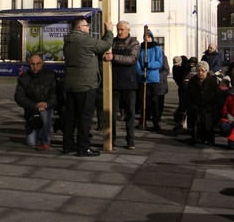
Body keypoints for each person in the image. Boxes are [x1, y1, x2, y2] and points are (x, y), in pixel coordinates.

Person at [63, 17, 113, 157]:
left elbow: (96, 47)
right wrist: (109, 31)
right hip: (85, 84)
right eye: (87, 25)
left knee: (71, 117)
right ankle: (83, 148)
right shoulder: (84, 40)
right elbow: (105, 45)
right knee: (85, 117)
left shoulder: (69, 40)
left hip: (71, 84)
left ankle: (68, 145)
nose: (89, 28)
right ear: (80, 28)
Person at [104, 20, 140, 150]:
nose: (119, 32)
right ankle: (111, 140)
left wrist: (114, 57)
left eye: (122, 30)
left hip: (129, 83)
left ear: (128, 30)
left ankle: (130, 140)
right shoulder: (112, 42)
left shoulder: (134, 43)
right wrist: (108, 31)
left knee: (130, 114)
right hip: (114, 83)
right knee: (111, 114)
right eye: (118, 29)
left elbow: (132, 59)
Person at [14, 54, 57, 151]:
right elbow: (19, 96)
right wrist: (34, 105)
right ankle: (33, 127)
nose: (35, 67)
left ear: (42, 63)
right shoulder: (23, 78)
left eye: (38, 64)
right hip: (31, 108)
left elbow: (55, 93)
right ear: (29, 64)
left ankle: (45, 141)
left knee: (45, 116)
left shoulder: (50, 75)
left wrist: (47, 104)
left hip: (46, 105)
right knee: (31, 143)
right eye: (32, 64)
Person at [135, 29, 163, 131]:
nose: (146, 39)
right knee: (142, 101)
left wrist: (149, 65)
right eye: (145, 37)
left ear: (151, 37)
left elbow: (159, 62)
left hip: (153, 78)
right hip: (143, 79)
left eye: (148, 37)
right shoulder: (141, 48)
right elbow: (137, 62)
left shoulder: (156, 48)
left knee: (154, 101)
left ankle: (156, 122)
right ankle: (142, 121)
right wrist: (141, 73)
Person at [186, 60, 219, 145]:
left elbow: (216, 98)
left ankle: (209, 138)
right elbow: (188, 96)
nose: (200, 73)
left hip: (209, 108)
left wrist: (208, 108)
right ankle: (198, 136)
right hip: (196, 107)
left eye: (202, 71)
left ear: (206, 71)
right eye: (198, 71)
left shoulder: (212, 81)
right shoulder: (192, 81)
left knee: (207, 120)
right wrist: (193, 106)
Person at [172, 55, 188, 123]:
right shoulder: (174, 67)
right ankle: (180, 117)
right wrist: (179, 83)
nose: (177, 66)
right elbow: (175, 76)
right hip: (180, 86)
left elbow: (185, 76)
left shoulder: (185, 67)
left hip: (185, 86)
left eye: (178, 64)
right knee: (181, 101)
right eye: (176, 65)